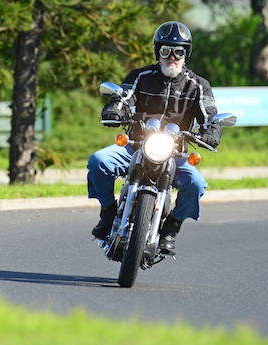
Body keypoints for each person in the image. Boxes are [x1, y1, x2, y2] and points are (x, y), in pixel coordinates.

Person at [87, 21, 221, 254]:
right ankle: (108, 211)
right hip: (135, 146)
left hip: (176, 153)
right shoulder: (141, 76)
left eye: (178, 51)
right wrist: (115, 109)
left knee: (196, 184)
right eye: (166, 50)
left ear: (186, 54)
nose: (172, 56)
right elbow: (123, 96)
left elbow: (210, 115)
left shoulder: (198, 86)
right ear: (157, 52)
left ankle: (171, 228)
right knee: (99, 161)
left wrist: (211, 132)